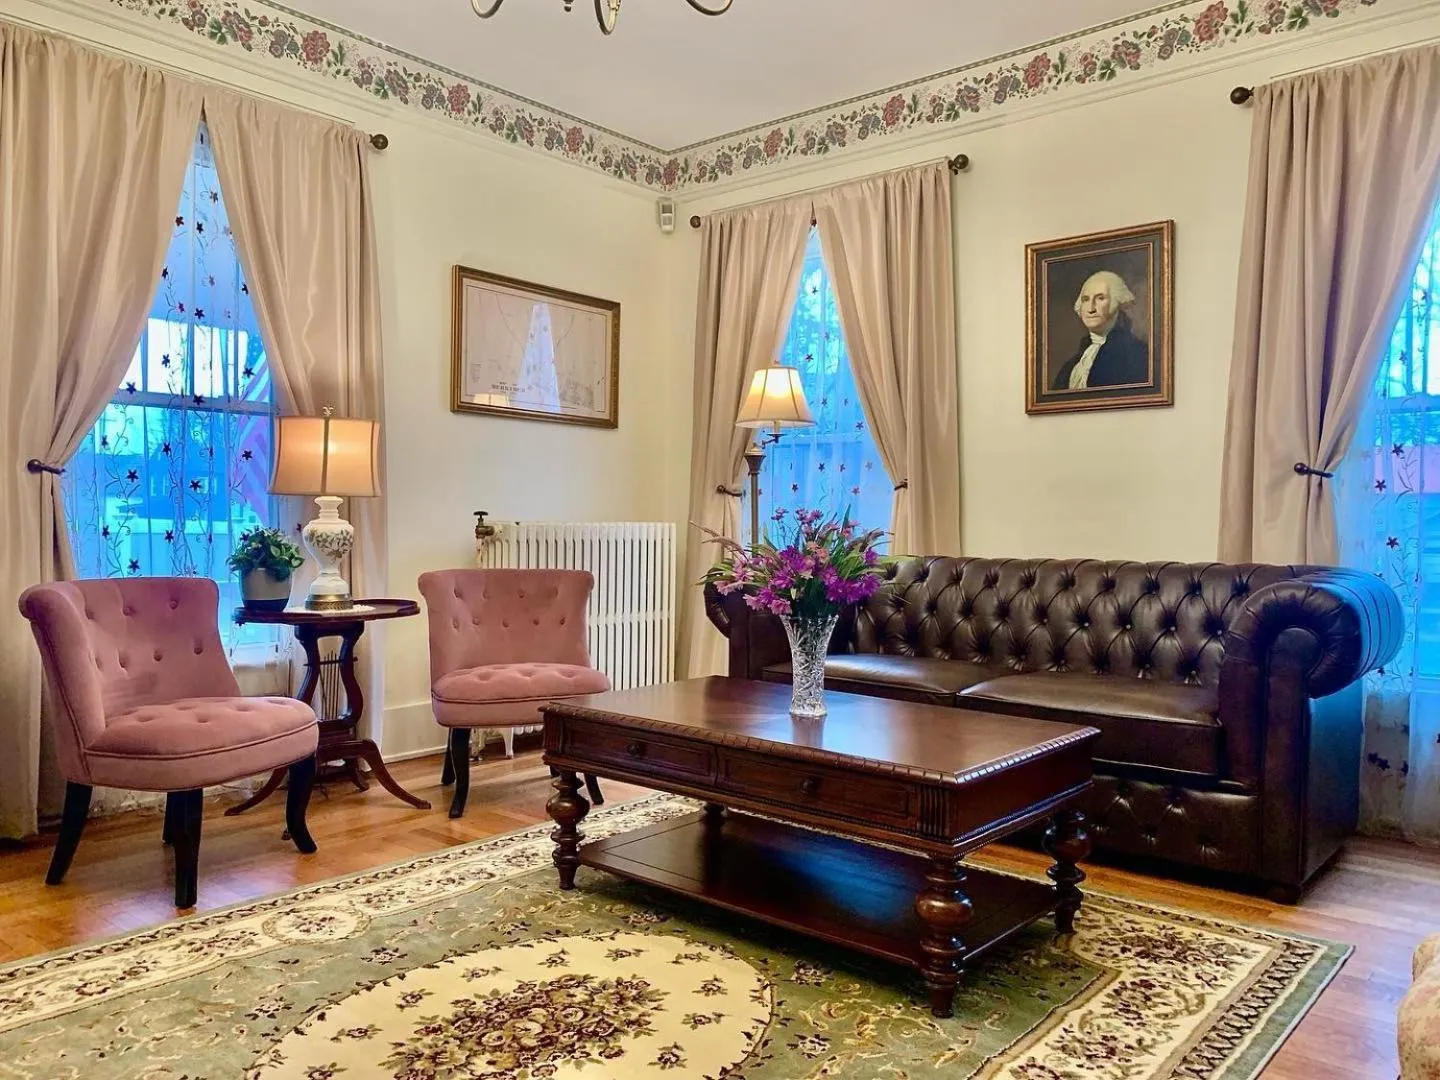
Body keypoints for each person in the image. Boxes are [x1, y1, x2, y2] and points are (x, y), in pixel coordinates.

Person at [1051, 269, 1149, 391]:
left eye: (1100, 298)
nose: (1091, 308)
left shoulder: (1138, 355)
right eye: (1085, 299)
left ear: (1116, 301)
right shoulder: (1070, 367)